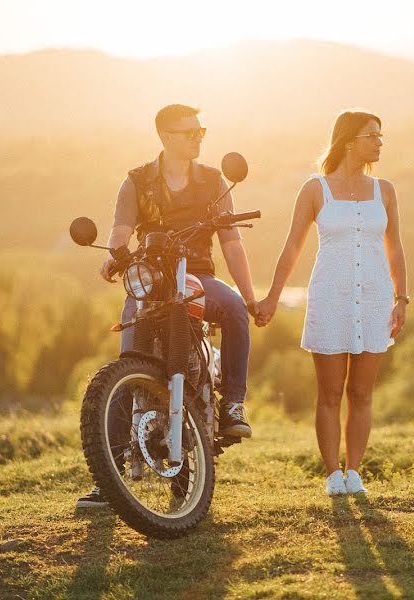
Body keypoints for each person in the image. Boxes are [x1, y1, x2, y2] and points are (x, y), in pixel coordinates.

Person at [77, 104, 257, 508]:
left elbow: (231, 242)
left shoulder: (213, 181)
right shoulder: (137, 181)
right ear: (166, 137)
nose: (198, 137)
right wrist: (114, 255)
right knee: (126, 364)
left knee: (233, 311)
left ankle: (232, 403)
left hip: (198, 275)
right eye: (190, 131)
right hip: (153, 276)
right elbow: (120, 232)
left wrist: (249, 295)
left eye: (200, 131)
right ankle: (112, 476)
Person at [256, 109, 408, 496]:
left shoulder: (385, 191)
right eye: (372, 136)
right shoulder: (314, 189)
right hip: (329, 299)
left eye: (380, 135)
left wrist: (401, 298)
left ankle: (354, 471)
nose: (379, 143)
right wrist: (273, 296)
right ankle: (331, 474)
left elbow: (395, 250)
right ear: (349, 142)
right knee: (329, 393)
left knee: (361, 393)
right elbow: (292, 246)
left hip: (374, 300)